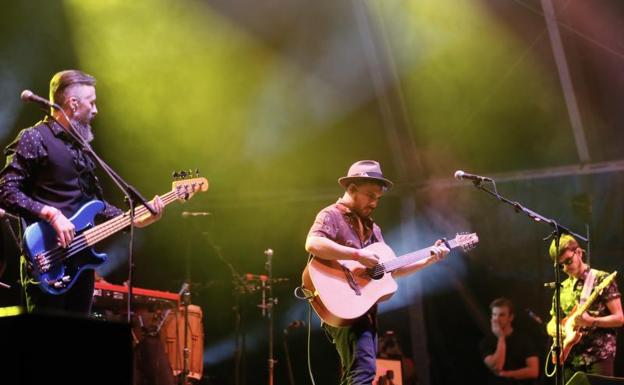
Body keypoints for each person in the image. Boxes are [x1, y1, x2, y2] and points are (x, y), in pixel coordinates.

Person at [0, 69, 164, 315]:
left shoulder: (82, 150)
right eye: (92, 102)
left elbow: (95, 203)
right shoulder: (35, 138)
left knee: (77, 346)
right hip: (46, 259)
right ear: (73, 104)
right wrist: (51, 214)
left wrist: (135, 218)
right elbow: (6, 190)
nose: (96, 110)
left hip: (80, 265)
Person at [304, 160, 449, 385]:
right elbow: (313, 243)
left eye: (378, 198)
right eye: (370, 195)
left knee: (356, 373)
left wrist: (428, 259)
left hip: (362, 310)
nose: (374, 202)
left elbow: (391, 270)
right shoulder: (331, 215)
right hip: (342, 304)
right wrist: (357, 255)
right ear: (351, 189)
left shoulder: (373, 229)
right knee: (363, 372)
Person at [545, 234, 623, 379]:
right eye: (561, 265)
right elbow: (551, 323)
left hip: (598, 356)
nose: (566, 268)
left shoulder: (601, 278)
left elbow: (619, 318)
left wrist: (592, 321)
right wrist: (561, 330)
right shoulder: (561, 288)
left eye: (568, 261)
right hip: (570, 358)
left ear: (579, 253)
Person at [479, 297, 539, 384]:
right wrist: (501, 338)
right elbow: (497, 366)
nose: (497, 319)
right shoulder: (486, 342)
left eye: (501, 315)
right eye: (494, 315)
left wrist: (507, 374)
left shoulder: (524, 339)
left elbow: (534, 371)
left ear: (510, 317)